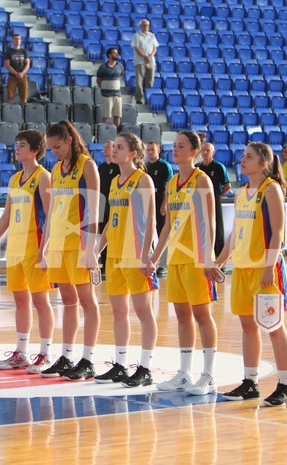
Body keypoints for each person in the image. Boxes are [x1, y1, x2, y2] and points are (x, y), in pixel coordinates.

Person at [208, 142, 287, 406]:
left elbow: (278, 231)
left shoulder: (272, 189)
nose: (242, 160)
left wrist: (269, 266)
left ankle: (286, 386)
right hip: (243, 267)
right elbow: (235, 233)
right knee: (248, 326)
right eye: (243, 155)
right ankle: (250, 382)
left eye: (249, 157)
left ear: (263, 164)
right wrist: (219, 261)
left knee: (274, 327)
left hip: (265, 268)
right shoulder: (242, 192)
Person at [149, 130, 218, 396]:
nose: (175, 149)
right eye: (174, 145)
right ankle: (184, 373)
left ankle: (209, 375)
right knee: (182, 316)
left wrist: (209, 257)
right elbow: (167, 225)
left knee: (202, 315)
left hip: (197, 259)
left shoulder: (202, 181)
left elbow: (210, 222)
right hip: (176, 258)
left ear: (194, 152)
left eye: (181, 146)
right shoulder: (172, 181)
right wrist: (155, 258)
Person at [0, 130, 55, 373]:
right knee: (20, 300)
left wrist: (45, 249)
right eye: (16, 144)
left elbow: (50, 217)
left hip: (35, 247)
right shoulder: (16, 179)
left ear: (35, 150)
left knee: (40, 300)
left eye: (22, 145)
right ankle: (21, 352)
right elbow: (6, 215)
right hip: (15, 248)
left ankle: (46, 353)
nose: (17, 148)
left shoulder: (43, 177)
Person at [38, 121, 101, 381]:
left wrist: (91, 248)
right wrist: (45, 246)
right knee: (68, 302)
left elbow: (94, 209)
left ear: (70, 140)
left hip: (79, 243)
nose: (55, 151)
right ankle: (67, 355)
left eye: (58, 146)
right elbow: (52, 211)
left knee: (87, 301)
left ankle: (88, 359)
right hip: (59, 243)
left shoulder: (87, 165)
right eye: (51, 148)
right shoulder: (55, 168)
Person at [94, 133, 158, 386]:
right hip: (116, 255)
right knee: (119, 312)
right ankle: (120, 365)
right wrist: (97, 249)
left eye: (120, 147)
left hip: (136, 254)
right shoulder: (114, 181)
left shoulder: (143, 180)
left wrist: (147, 256)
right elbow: (112, 220)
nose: (114, 150)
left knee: (143, 311)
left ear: (133, 153)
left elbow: (152, 220)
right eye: (114, 146)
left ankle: (145, 367)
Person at [197, 142, 231, 258]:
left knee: (217, 227)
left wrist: (217, 195)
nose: (205, 152)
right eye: (203, 150)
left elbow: (227, 185)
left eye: (208, 150)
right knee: (201, 226)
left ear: (213, 152)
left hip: (214, 200)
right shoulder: (198, 168)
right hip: (200, 201)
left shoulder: (219, 167)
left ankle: (219, 256)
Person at [145, 140, 173, 278]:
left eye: (152, 149)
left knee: (163, 232)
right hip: (148, 202)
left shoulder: (164, 166)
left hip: (160, 200)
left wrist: (165, 203)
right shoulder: (144, 166)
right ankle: (148, 259)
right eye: (148, 149)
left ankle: (162, 264)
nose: (150, 152)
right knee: (147, 232)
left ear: (158, 151)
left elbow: (169, 186)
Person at [98, 140, 119, 272]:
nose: (105, 149)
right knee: (103, 232)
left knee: (113, 231)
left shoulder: (117, 167)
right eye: (104, 146)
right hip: (102, 203)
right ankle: (104, 263)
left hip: (114, 203)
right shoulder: (101, 167)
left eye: (108, 147)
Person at [131, 19, 159, 105]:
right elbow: (136, 48)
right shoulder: (137, 35)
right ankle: (139, 98)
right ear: (140, 26)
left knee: (150, 80)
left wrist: (151, 56)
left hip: (151, 61)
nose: (145, 27)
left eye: (147, 25)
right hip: (140, 61)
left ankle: (148, 98)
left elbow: (155, 47)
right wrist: (145, 56)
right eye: (144, 25)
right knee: (139, 81)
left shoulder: (152, 35)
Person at [95, 48, 124, 126]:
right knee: (106, 115)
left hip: (117, 94)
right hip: (107, 95)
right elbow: (98, 80)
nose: (117, 54)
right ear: (110, 55)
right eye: (114, 53)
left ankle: (116, 131)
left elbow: (120, 77)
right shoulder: (103, 67)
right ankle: (106, 131)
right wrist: (105, 88)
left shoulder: (120, 66)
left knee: (117, 115)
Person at [4, 34, 30, 104]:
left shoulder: (24, 51)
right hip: (12, 76)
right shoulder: (9, 52)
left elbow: (27, 64)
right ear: (12, 40)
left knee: (24, 96)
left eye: (19, 39)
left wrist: (22, 73)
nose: (17, 40)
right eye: (15, 39)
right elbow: (7, 65)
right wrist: (16, 73)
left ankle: (23, 112)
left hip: (23, 76)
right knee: (10, 96)